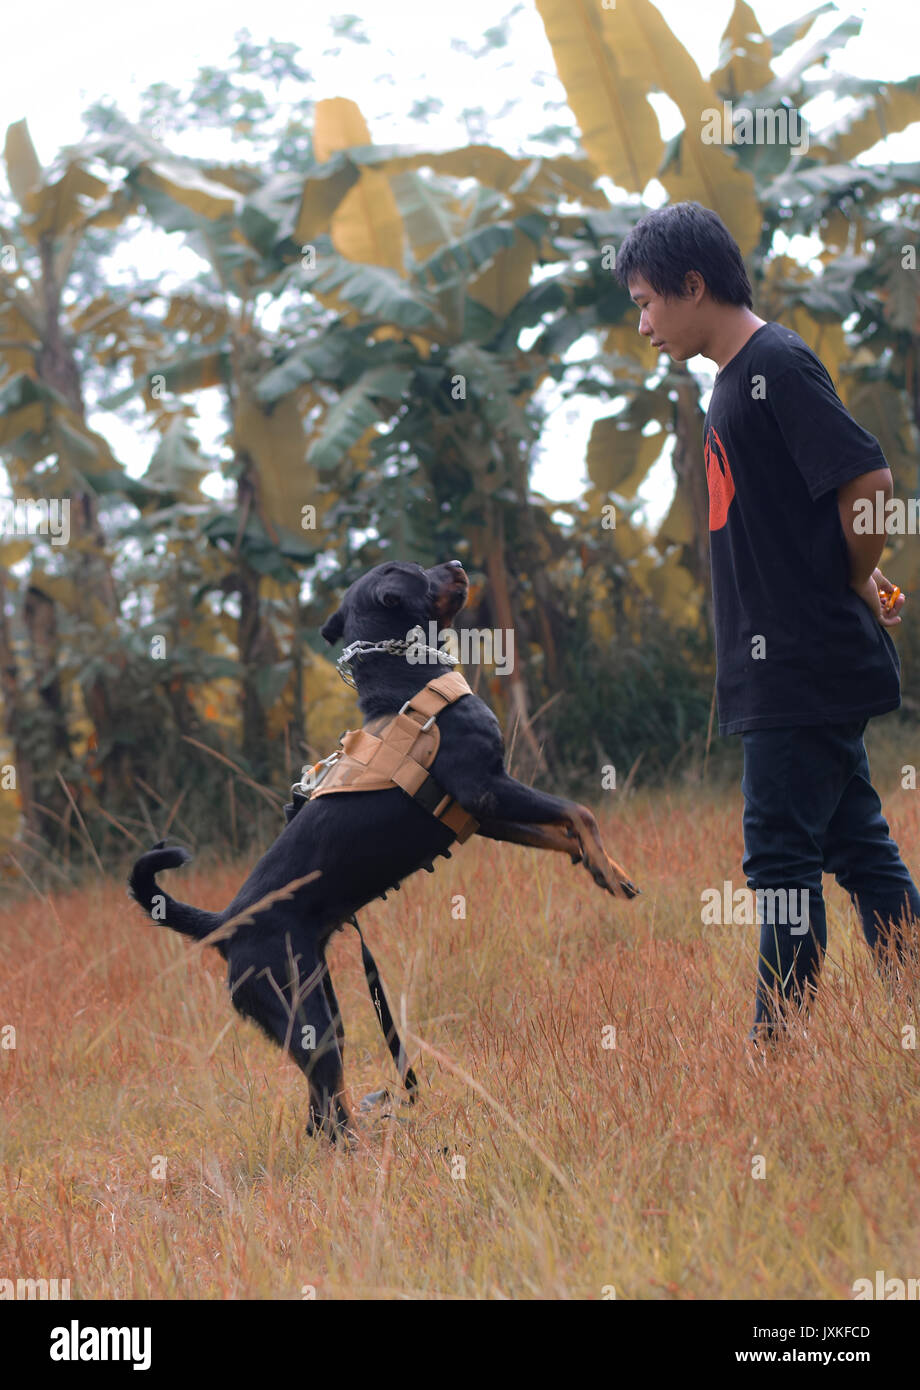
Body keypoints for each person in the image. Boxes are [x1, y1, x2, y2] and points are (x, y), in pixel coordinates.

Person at [614, 201, 920, 1041]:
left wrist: (857, 578)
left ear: (693, 283)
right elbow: (804, 517)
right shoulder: (732, 382)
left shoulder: (774, 364)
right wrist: (856, 576)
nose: (643, 324)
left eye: (646, 301)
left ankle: (775, 1050)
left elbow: (869, 482)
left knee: (782, 863)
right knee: (859, 851)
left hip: (799, 664)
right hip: (790, 664)